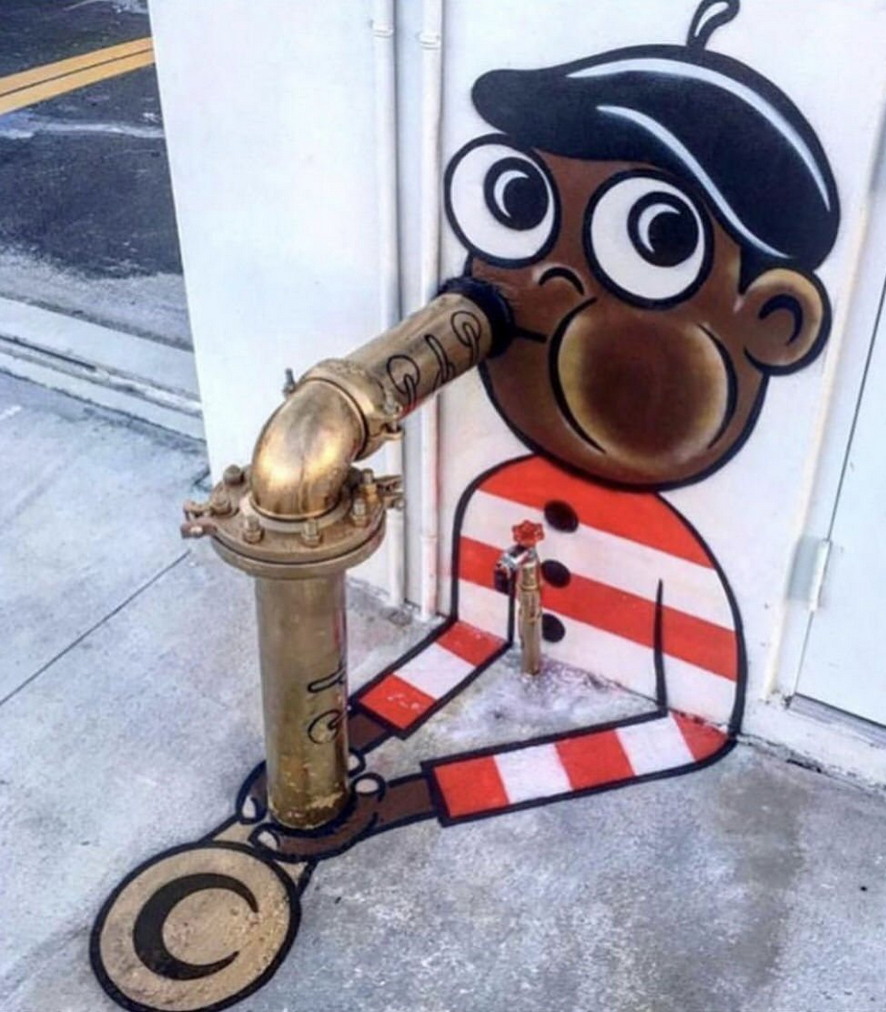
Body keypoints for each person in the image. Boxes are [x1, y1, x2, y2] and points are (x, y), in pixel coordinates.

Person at [244, 0, 839, 858]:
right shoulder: (499, 495)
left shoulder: (686, 573)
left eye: (657, 239)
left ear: (773, 321)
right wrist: (345, 736)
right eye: (521, 201)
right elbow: (464, 639)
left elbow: (684, 731)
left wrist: (418, 797)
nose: (551, 278)